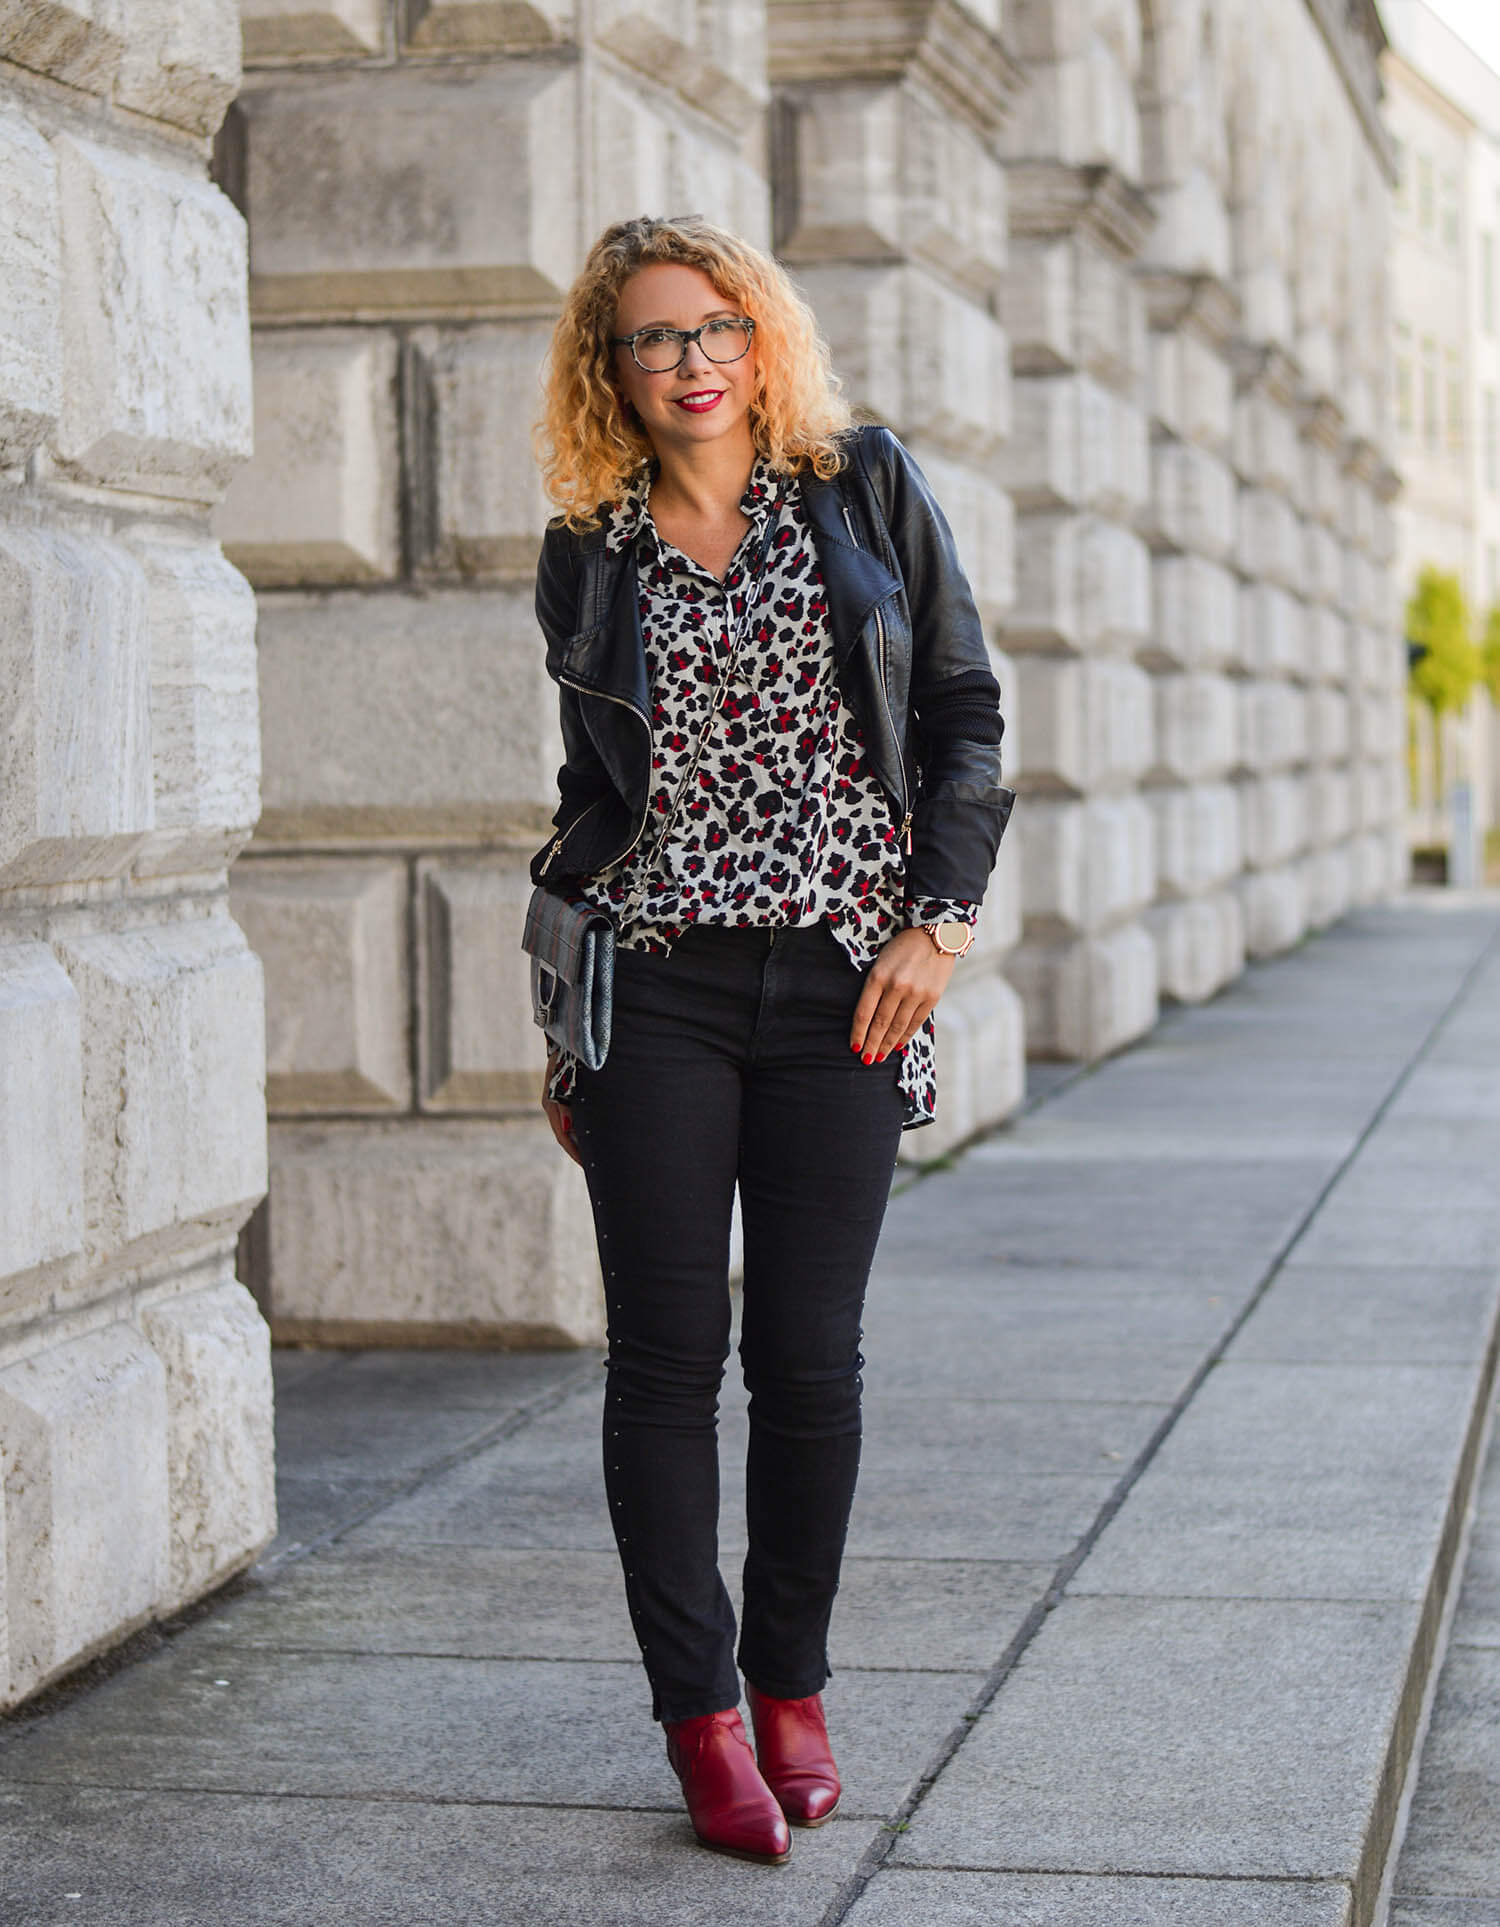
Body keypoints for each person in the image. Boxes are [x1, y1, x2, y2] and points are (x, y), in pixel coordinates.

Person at [529, 214, 1012, 1865]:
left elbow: (963, 714)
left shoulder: (861, 485)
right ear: (612, 366)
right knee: (662, 1366)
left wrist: (936, 923)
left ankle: (792, 1684)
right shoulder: (589, 545)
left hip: (843, 989)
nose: (691, 360)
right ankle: (701, 1717)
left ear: (763, 334)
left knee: (806, 1362)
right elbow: (593, 808)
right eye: (653, 337)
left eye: (717, 324)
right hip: (657, 990)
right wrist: (564, 1024)